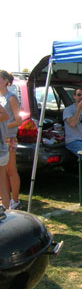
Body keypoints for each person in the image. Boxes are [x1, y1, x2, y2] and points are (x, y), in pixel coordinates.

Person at [0, 71, 22, 209]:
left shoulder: (11, 97)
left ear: (6, 81)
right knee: (3, 174)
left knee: (11, 170)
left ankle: (15, 200)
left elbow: (18, 120)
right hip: (2, 138)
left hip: (9, 138)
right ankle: (6, 198)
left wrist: (3, 124)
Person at [0, 104, 10, 209]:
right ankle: (7, 212)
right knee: (2, 186)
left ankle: (6, 212)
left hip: (1, 152)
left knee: (2, 186)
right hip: (3, 151)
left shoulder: (3, 115)